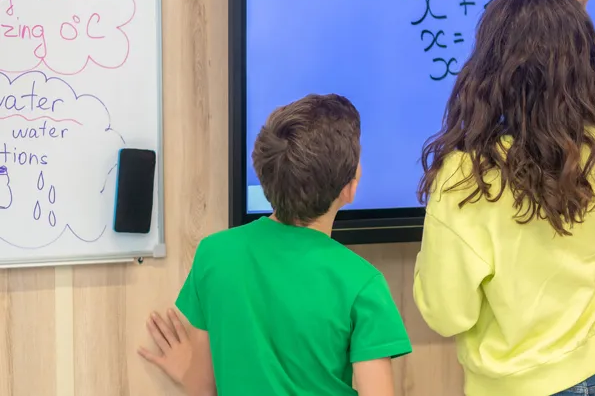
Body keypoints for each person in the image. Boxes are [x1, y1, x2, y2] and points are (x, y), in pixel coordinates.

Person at [412, 0, 595, 396]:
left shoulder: (467, 177)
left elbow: (447, 314)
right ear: (582, 64)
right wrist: (582, 23)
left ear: (488, 69)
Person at [138, 94, 412, 396]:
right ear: (350, 187)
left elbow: (202, 388)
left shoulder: (214, 255)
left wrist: (187, 370)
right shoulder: (363, 284)